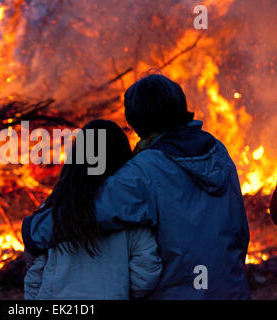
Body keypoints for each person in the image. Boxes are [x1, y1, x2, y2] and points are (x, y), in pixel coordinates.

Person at [22, 74, 251, 299]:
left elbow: (88, 211)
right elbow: (240, 232)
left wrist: (33, 229)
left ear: (136, 122)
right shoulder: (218, 153)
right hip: (232, 290)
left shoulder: (146, 170)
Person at [24, 119, 162, 300]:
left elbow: (34, 275)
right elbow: (145, 275)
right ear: (122, 158)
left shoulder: (52, 213)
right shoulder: (131, 211)